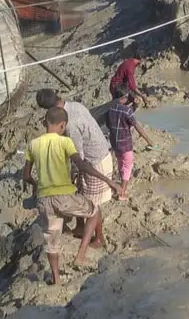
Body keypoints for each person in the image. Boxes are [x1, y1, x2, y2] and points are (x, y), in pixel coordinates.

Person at [22, 107, 124, 285]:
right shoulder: (65, 142)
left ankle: (57, 279)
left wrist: (37, 185)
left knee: (51, 240)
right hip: (64, 197)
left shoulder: (33, 144)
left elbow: (26, 176)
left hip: (44, 200)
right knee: (94, 211)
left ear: (46, 123)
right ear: (63, 125)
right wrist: (110, 182)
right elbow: (82, 165)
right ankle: (81, 255)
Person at [35, 89, 113, 247]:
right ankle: (79, 226)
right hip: (94, 155)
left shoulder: (71, 126)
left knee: (92, 204)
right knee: (79, 192)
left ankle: (98, 238)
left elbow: (79, 159)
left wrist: (69, 176)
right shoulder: (74, 105)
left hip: (95, 161)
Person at [106, 84, 155, 200]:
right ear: (124, 97)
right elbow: (135, 124)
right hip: (125, 144)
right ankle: (122, 193)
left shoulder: (110, 109)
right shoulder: (127, 110)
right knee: (128, 166)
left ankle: (120, 186)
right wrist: (149, 140)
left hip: (115, 143)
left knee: (121, 164)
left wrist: (134, 106)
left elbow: (113, 121)